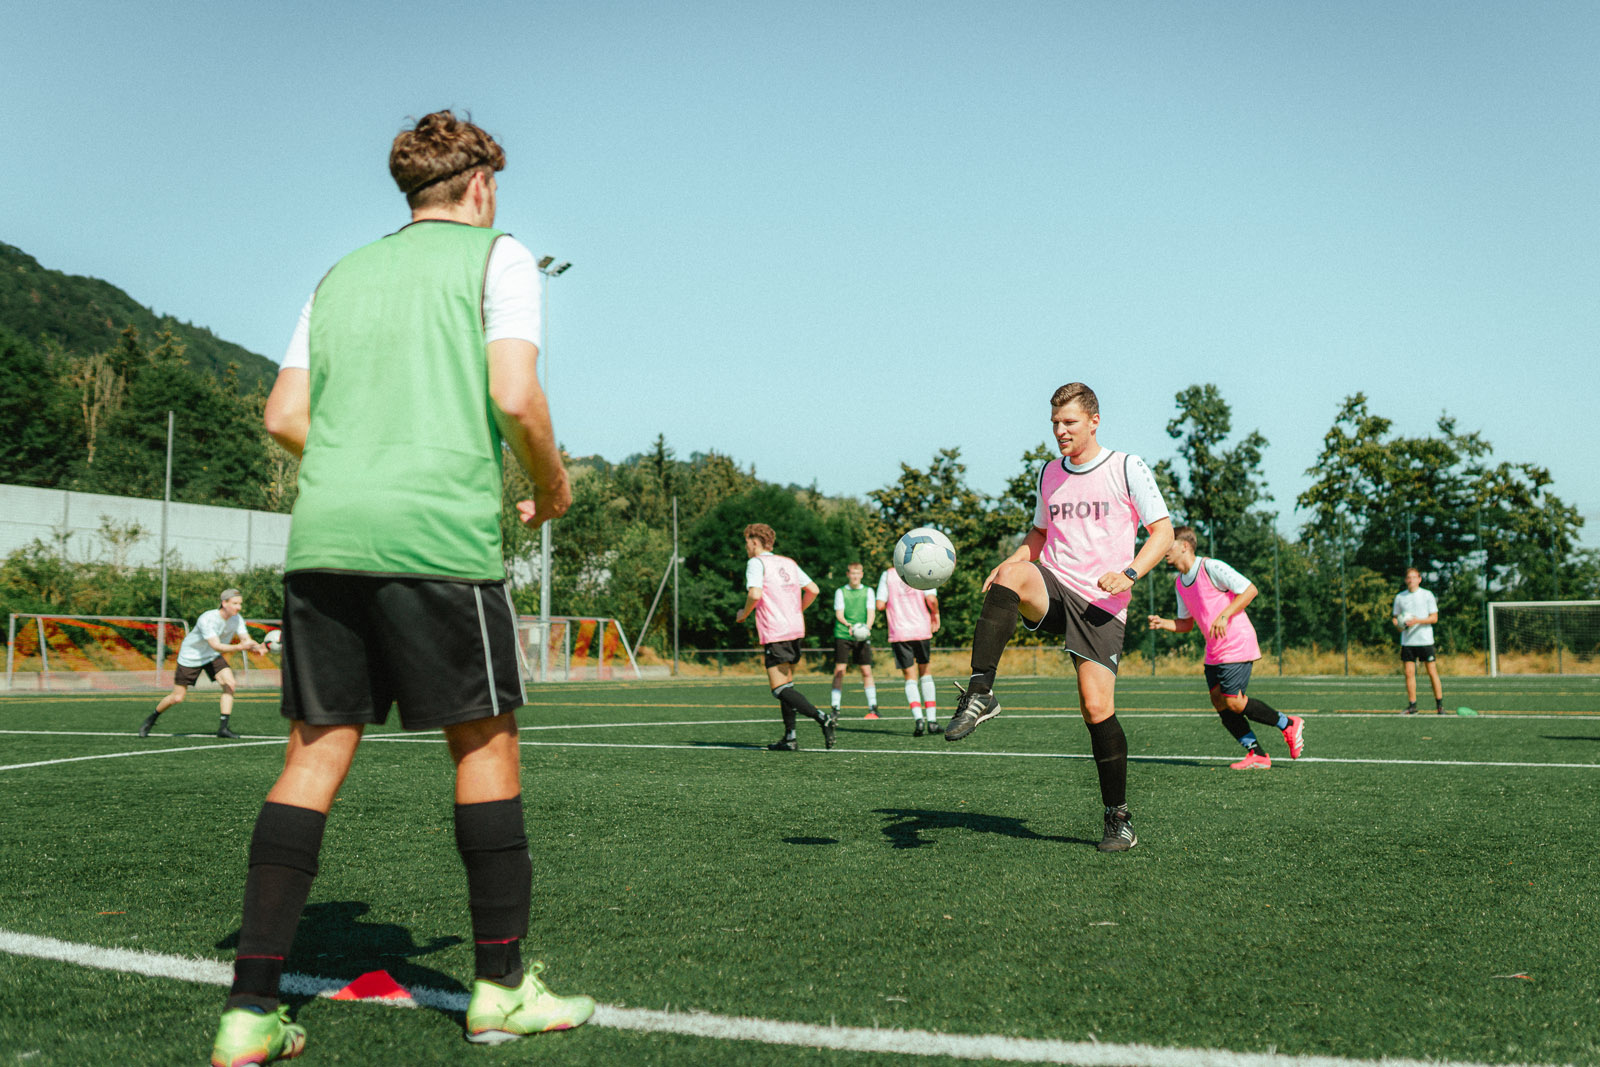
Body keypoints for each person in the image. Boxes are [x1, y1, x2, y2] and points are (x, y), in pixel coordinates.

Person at [208, 111, 592, 1067]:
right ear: (481, 186)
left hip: (327, 538)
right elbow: (513, 395)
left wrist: (357, 460)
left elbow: (284, 414)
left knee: (312, 755)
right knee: (485, 741)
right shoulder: (500, 257)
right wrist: (551, 484)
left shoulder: (339, 275)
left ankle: (249, 1013)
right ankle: (500, 991)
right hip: (437, 537)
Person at [945, 382, 1173, 853]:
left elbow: (1163, 533)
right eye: (1054, 423)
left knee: (1096, 708)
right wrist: (1010, 562)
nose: (1060, 431)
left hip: (1101, 605)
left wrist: (1130, 573)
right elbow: (1039, 532)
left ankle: (1118, 819)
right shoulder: (1049, 472)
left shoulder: (1127, 466)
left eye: (1069, 422)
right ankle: (980, 692)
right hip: (1055, 585)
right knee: (1013, 574)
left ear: (1094, 420)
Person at [1147, 527, 1304, 769]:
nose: (1164, 549)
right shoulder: (1180, 583)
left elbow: (1250, 589)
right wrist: (1163, 623)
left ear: (1184, 546)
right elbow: (1186, 623)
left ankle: (1288, 724)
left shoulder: (1211, 567)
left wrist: (1225, 615)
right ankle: (1257, 754)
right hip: (1214, 651)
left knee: (1234, 701)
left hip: (1236, 643)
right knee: (1219, 701)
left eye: (1169, 543)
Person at [735, 523, 835, 751]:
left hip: (775, 631)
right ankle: (790, 737)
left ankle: (823, 718)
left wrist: (743, 614)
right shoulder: (789, 562)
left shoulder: (756, 563)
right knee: (787, 685)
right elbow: (814, 589)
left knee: (779, 689)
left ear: (753, 541)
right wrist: (798, 610)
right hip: (795, 629)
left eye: (746, 542)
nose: (746, 547)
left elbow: (755, 593)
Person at [140, 589, 265, 740]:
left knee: (230, 684)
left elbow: (245, 639)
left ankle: (223, 729)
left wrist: (257, 647)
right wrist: (239, 647)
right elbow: (216, 645)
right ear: (224, 603)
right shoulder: (207, 618)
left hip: (212, 656)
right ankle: (151, 719)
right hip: (191, 657)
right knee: (177, 697)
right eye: (235, 603)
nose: (238, 607)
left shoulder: (237, 618)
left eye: (240, 604)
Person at [876, 564, 942, 736]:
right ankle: (932, 721)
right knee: (925, 672)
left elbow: (880, 605)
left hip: (899, 631)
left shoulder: (888, 574)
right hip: (920, 629)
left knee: (909, 677)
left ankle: (918, 719)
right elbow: (931, 600)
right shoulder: (926, 567)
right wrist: (935, 614)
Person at [830, 562, 879, 718]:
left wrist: (867, 628)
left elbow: (871, 612)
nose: (855, 576)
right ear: (848, 574)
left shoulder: (868, 591)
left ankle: (873, 707)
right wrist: (848, 625)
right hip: (844, 634)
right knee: (840, 670)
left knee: (866, 670)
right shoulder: (841, 592)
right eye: (852, 573)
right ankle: (835, 707)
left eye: (858, 573)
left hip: (862, 635)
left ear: (862, 574)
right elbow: (839, 614)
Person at [1393, 566, 1444, 713]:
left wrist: (1417, 621)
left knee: (1432, 672)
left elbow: (1434, 618)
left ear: (1419, 579)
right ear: (1405, 580)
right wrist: (1399, 625)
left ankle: (1439, 705)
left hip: (1425, 640)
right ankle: (1412, 705)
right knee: (1409, 673)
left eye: (1414, 577)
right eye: (1409, 578)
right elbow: (1395, 618)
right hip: (1408, 642)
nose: (1411, 580)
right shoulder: (1400, 597)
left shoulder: (1427, 595)